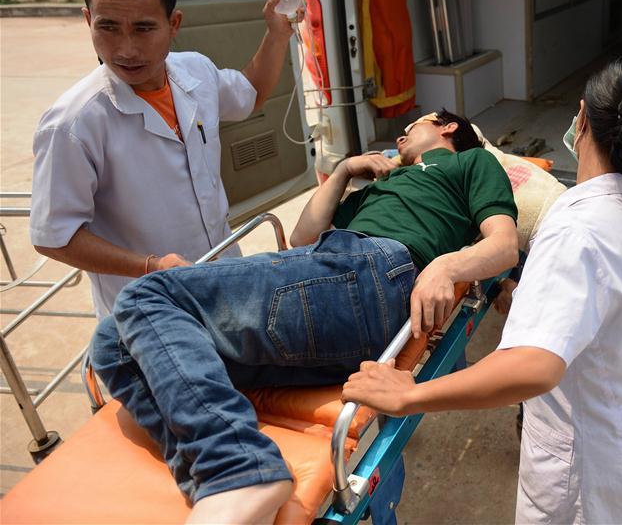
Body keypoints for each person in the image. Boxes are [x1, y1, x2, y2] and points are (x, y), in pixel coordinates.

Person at [89, 110, 519, 524]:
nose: (400, 137)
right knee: (112, 344)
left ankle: (234, 468)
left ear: (448, 128)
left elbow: (503, 245)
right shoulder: (380, 187)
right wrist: (345, 171)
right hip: (331, 289)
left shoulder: (469, 162)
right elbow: (302, 237)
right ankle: (226, 490)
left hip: (372, 271)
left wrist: (446, 266)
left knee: (147, 295)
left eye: (414, 126)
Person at [344, 58, 622, 524]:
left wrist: (410, 394)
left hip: (596, 476)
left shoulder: (574, 230)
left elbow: (533, 366)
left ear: (581, 119)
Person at [30, 0, 302, 318]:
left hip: (226, 280)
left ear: (174, 24)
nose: (126, 49)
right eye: (107, 27)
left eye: (144, 28)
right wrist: (150, 266)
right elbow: (54, 236)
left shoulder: (196, 73)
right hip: (152, 309)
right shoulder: (73, 124)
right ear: (87, 19)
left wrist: (276, 34)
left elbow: (249, 94)